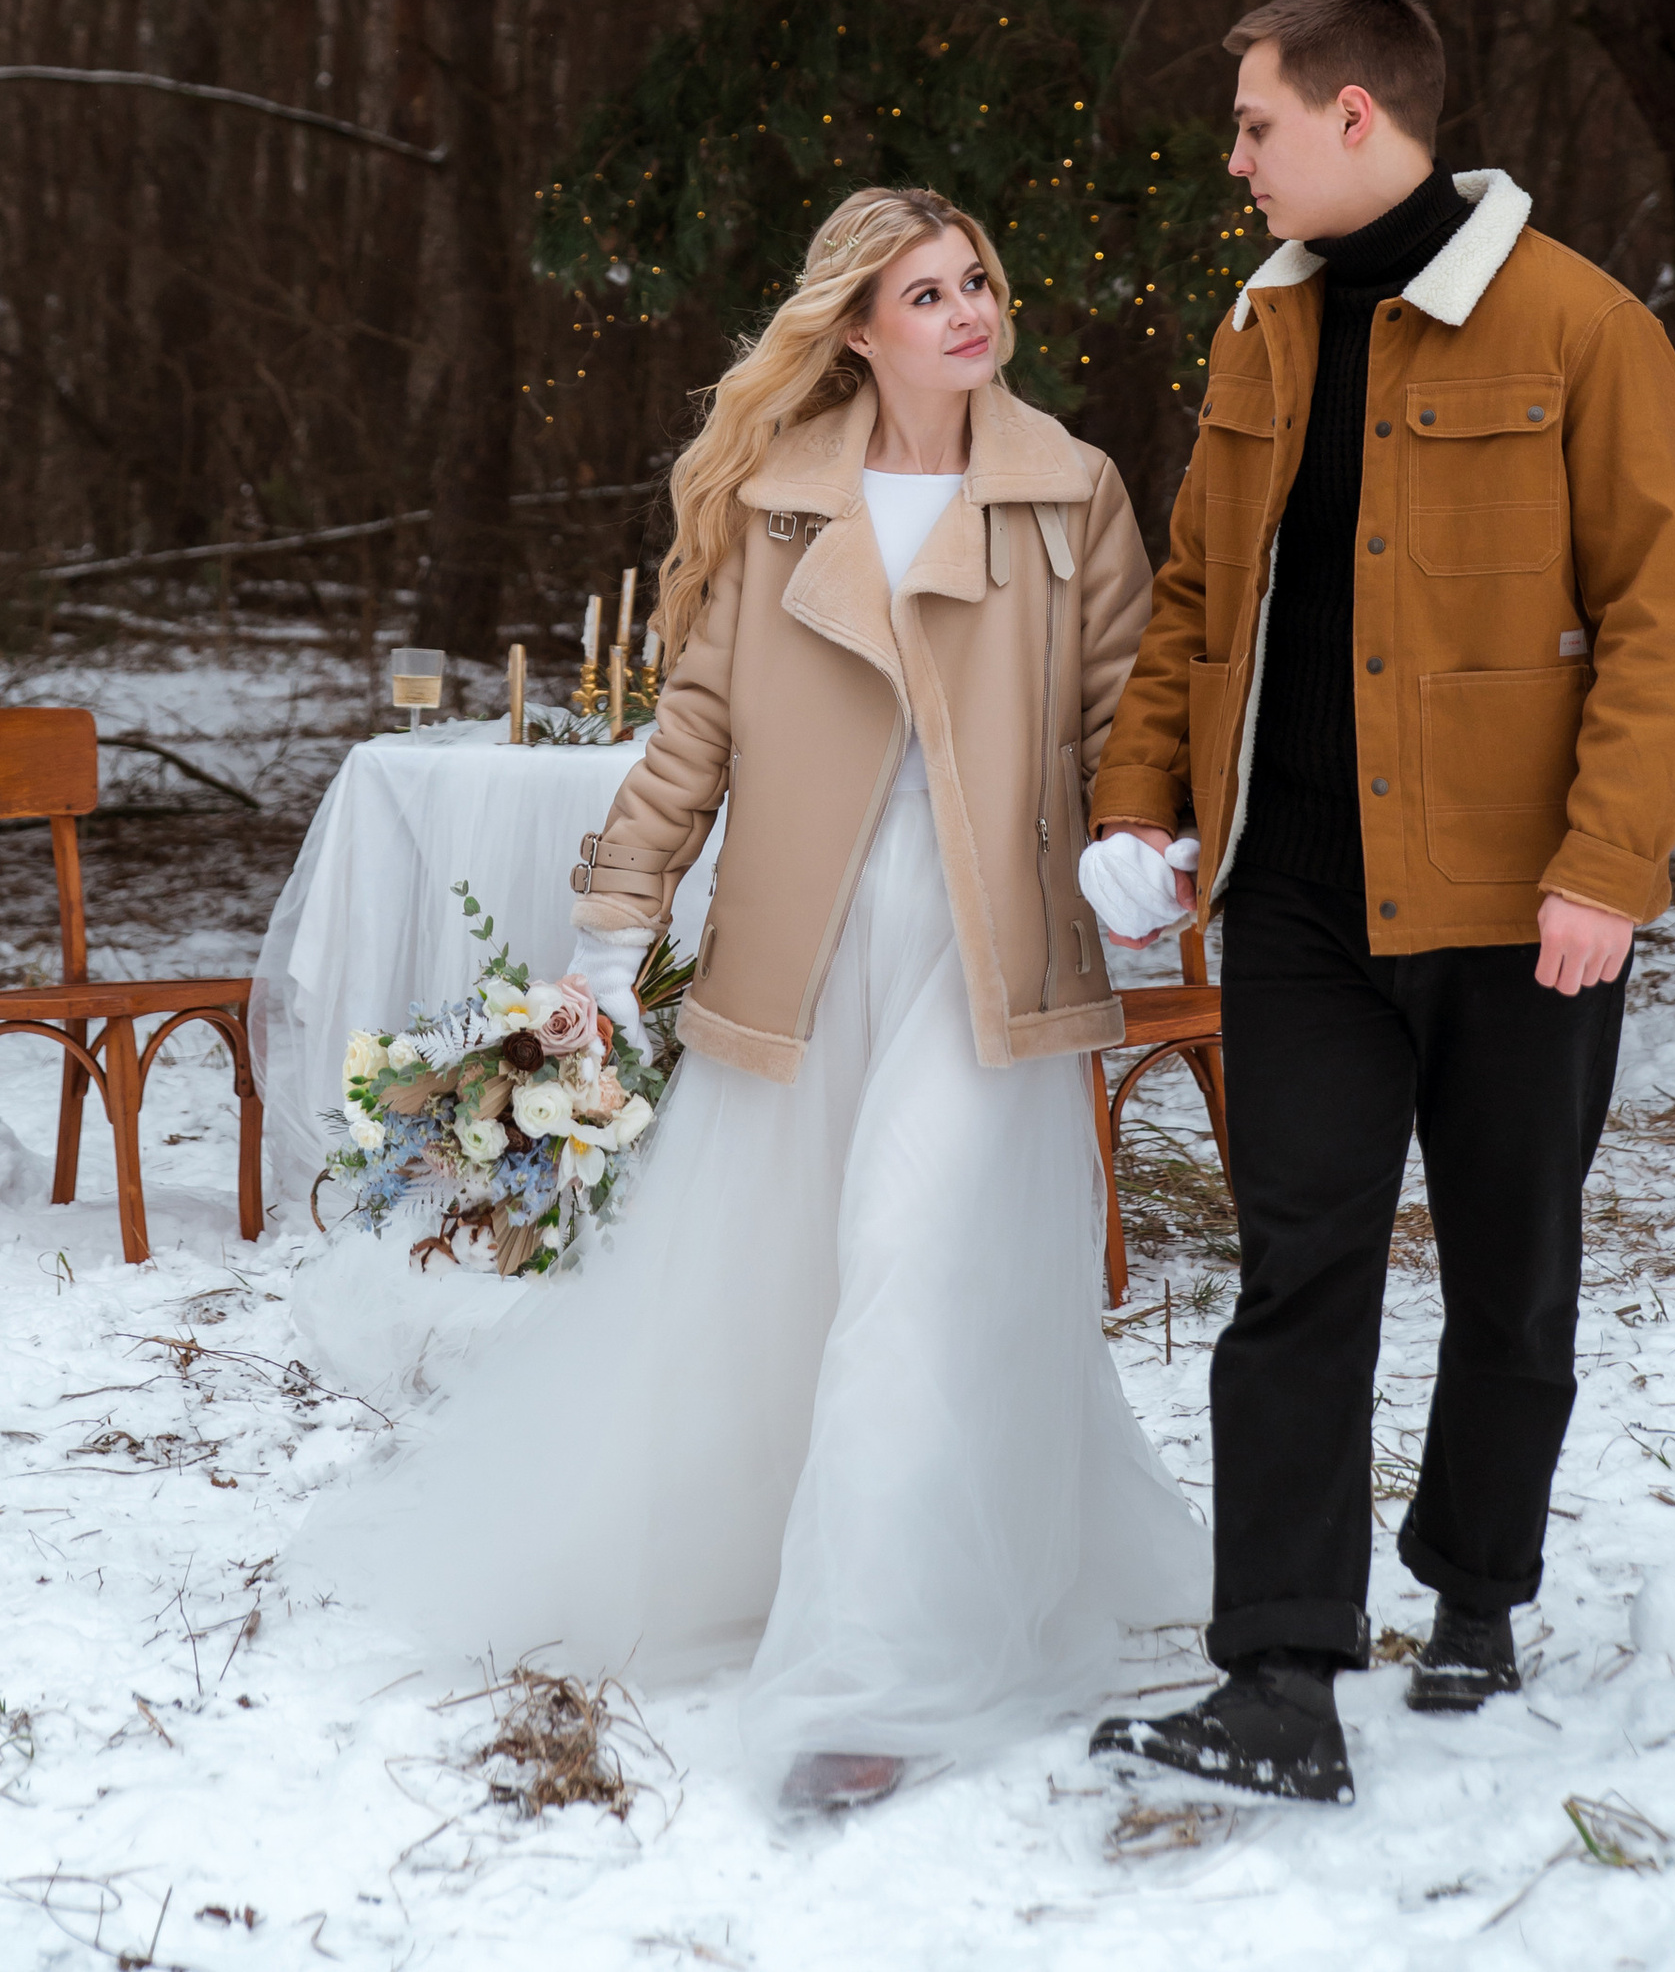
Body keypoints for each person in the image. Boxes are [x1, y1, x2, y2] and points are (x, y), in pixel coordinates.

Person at [296, 185, 1208, 1810]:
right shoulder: (785, 501)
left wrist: (1143, 840)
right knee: (782, 1285)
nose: (967, 313)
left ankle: (877, 1675)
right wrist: (608, 928)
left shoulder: (1072, 490)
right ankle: (781, 1560)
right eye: (925, 294)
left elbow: (1127, 711)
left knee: (924, 1275)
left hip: (991, 954)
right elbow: (696, 734)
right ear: (857, 328)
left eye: (978, 281)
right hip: (805, 949)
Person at [1083, 0, 1675, 1803]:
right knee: (1295, 1273)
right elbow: (1198, 599)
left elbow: (1669, 626)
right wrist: (1142, 803)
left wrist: (1608, 869)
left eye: (1258, 125)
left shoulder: (1582, 327)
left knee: (1513, 1271)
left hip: (1522, 907)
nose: (1237, 161)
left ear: (1358, 116)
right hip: (1294, 904)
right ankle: (1280, 1673)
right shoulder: (1260, 336)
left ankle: (1476, 1590)